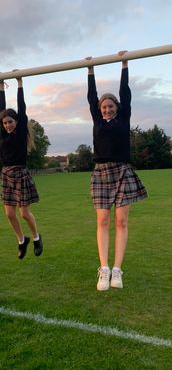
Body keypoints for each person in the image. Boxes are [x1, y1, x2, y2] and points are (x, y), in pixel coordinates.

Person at [86, 51, 147, 291]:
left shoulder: (124, 118)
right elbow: (91, 97)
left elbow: (126, 93)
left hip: (122, 171)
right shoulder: (97, 121)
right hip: (101, 172)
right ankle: (104, 269)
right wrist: (90, 70)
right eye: (104, 106)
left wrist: (124, 64)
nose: (107, 109)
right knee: (103, 220)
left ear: (117, 108)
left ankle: (117, 270)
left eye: (111, 106)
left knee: (121, 221)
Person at [0, 74, 43, 259]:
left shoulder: (21, 131)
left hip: (20, 173)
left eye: (10, 122)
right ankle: (22, 240)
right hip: (6, 174)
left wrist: (19, 83)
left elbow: (22, 108)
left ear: (16, 122)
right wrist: (0, 85)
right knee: (9, 213)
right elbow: (0, 107)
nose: (7, 125)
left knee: (24, 213)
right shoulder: (3, 133)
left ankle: (37, 237)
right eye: (5, 122)